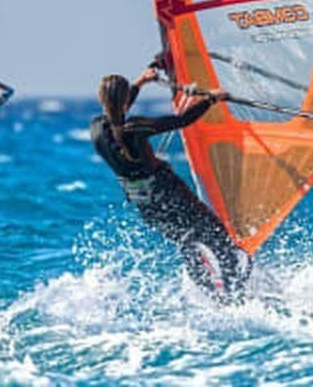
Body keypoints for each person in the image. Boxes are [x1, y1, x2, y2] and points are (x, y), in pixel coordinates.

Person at [91, 69, 250, 301]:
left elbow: (117, 111)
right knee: (218, 238)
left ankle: (212, 296)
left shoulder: (96, 129)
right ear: (126, 101)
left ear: (101, 100)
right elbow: (182, 120)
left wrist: (140, 82)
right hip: (169, 194)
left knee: (187, 240)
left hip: (147, 206)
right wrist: (211, 99)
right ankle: (234, 294)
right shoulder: (133, 129)